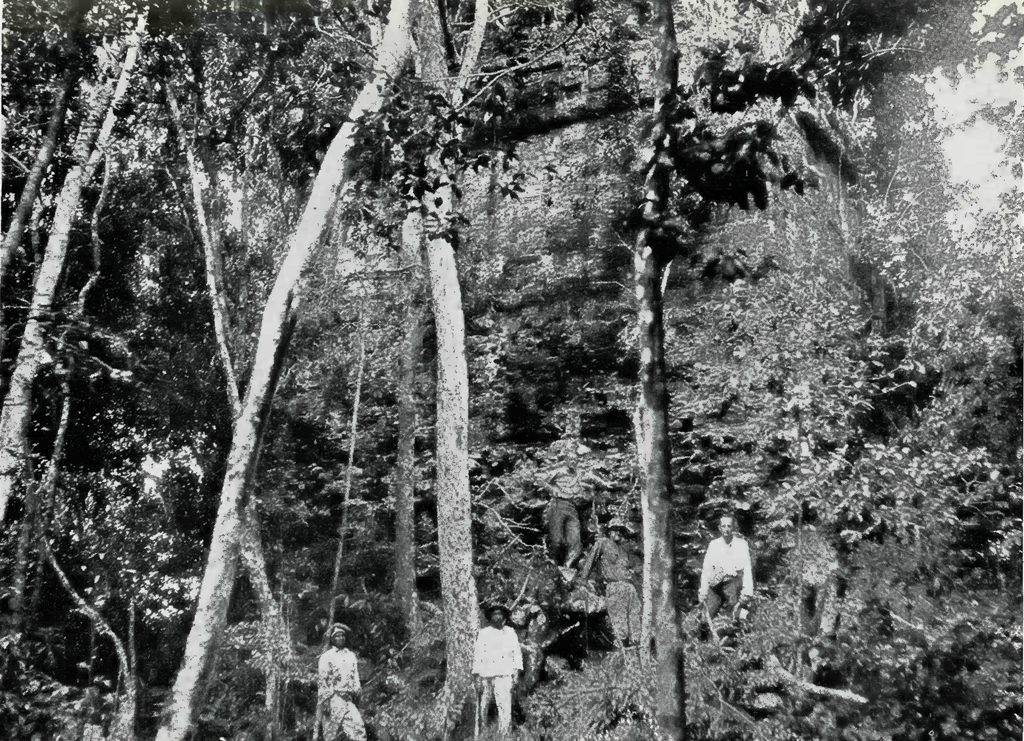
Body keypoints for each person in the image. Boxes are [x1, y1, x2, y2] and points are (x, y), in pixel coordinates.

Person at [573, 518, 641, 647]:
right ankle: (621, 649)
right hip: (615, 586)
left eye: (620, 530)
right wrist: (583, 579)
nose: (618, 532)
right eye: (615, 529)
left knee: (635, 618)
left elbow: (632, 568)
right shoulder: (603, 543)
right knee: (620, 624)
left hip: (630, 587)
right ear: (609, 531)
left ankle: (636, 646)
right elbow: (591, 560)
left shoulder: (623, 550)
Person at [473, 604, 523, 733]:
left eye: (499, 614)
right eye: (494, 614)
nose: (497, 617)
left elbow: (516, 653)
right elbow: (478, 654)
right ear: (490, 617)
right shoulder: (484, 633)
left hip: (504, 674)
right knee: (484, 705)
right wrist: (477, 676)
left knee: (504, 704)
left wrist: (516, 672)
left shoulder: (510, 632)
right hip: (486, 674)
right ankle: (483, 730)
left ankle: (504, 732)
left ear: (504, 617)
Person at [699, 514, 754, 623]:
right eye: (723, 526)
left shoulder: (741, 545)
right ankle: (706, 637)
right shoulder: (714, 545)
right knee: (706, 618)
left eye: (729, 526)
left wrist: (748, 591)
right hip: (715, 584)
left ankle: (744, 619)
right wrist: (703, 590)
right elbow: (706, 569)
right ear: (719, 528)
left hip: (732, 582)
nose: (726, 529)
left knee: (732, 610)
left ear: (733, 527)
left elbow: (747, 568)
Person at [316, 623, 366, 741]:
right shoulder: (326, 657)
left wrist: (357, 691)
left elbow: (355, 676)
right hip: (333, 699)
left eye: (342, 635)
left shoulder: (350, 656)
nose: (340, 638)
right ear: (332, 639)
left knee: (358, 728)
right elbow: (323, 680)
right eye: (337, 636)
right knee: (330, 734)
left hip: (347, 699)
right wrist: (325, 702)